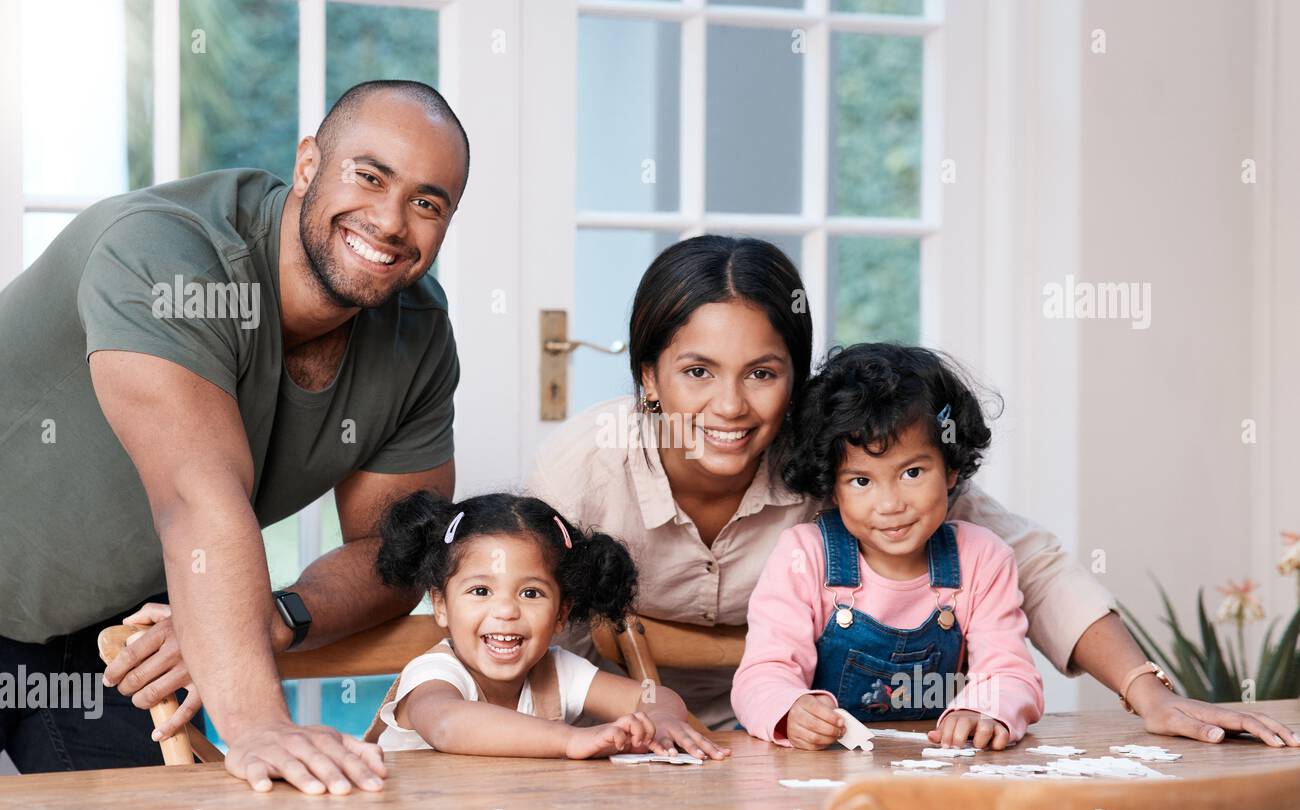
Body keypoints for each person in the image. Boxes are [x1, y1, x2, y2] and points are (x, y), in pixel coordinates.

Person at [527, 234, 1300, 748]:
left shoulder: (841, 454)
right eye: (697, 372)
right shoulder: (588, 466)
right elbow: (506, 616)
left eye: (762, 373)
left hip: (806, 748)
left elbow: (1028, 561)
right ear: (648, 378)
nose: (729, 407)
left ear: (794, 379)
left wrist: (1146, 689)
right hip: (620, 737)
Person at [0, 80, 470, 792]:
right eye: (369, 176)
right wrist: (258, 724)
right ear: (308, 163)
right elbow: (196, 497)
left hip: (110, 634)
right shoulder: (168, 256)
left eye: (427, 202)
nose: (390, 220)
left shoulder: (418, 336)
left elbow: (402, 550)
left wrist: (275, 614)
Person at [733, 343, 1043, 750]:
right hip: (811, 773)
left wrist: (985, 709)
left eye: (912, 472)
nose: (891, 504)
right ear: (833, 487)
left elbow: (1009, 671)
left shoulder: (982, 558)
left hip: (930, 774)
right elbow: (762, 672)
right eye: (861, 481)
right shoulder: (803, 556)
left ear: (951, 470)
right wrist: (790, 709)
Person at [369, 491, 730, 760]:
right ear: (441, 604)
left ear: (561, 613)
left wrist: (662, 719)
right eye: (481, 591)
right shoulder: (435, 673)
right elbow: (448, 724)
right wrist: (570, 740)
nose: (507, 611)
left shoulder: (559, 671)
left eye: (530, 593)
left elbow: (649, 695)